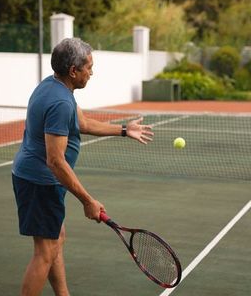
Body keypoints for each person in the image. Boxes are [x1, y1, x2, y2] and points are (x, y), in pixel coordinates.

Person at [11, 37, 154, 296]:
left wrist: (124, 129)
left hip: (37, 179)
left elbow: (84, 123)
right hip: (40, 182)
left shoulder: (53, 86)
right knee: (44, 252)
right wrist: (87, 200)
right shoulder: (61, 103)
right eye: (88, 66)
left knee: (56, 240)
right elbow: (55, 161)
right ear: (73, 71)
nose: (92, 72)